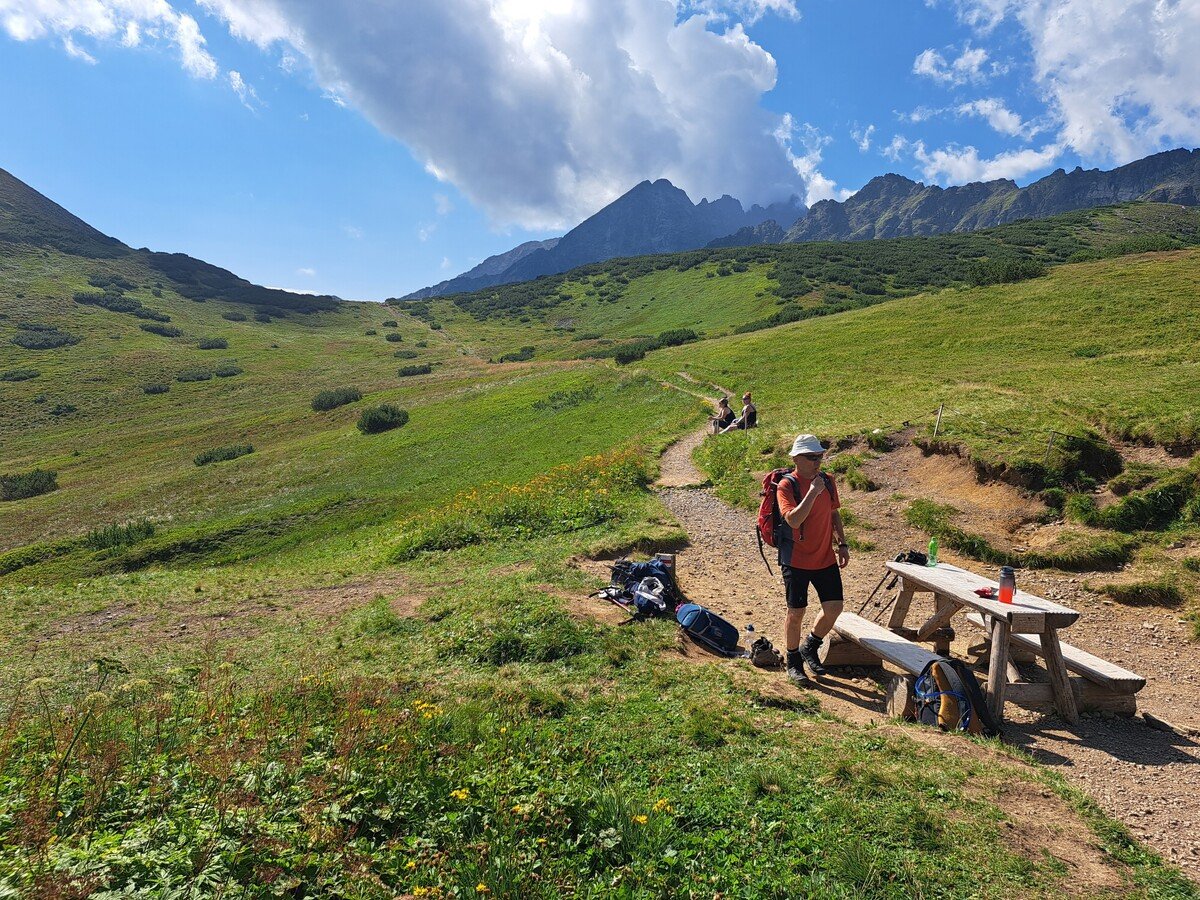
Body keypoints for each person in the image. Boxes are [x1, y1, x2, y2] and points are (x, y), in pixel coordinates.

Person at [774, 433, 850, 685]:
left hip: (825, 557)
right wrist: (812, 493)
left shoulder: (827, 481)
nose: (817, 462)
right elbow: (793, 520)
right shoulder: (787, 486)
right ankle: (793, 661)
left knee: (834, 607)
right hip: (795, 559)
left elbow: (834, 513)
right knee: (796, 612)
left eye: (819, 456)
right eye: (811, 457)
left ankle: (810, 646)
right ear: (796, 458)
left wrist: (843, 543)